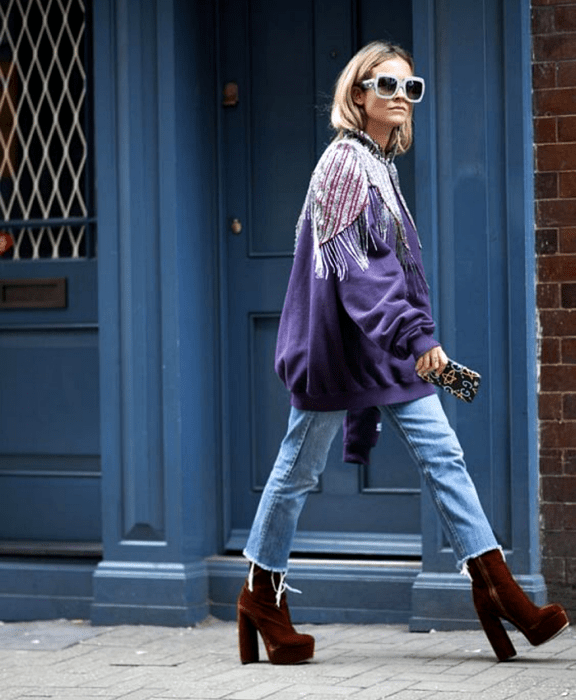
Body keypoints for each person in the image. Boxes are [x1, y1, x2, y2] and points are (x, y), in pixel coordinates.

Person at [236, 40, 568, 665]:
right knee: (298, 471)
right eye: (385, 85)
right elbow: (362, 273)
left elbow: (382, 270)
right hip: (341, 356)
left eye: (409, 89)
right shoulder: (344, 165)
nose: (399, 98)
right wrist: (418, 337)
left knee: (445, 456)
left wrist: (411, 338)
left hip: (380, 352)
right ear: (357, 93)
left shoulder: (378, 166)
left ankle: (497, 589)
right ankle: (260, 596)